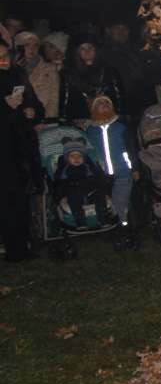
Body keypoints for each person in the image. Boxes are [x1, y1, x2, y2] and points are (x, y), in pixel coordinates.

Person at [0, 41, 43, 261]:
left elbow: (35, 103)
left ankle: (24, 244)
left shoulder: (18, 74)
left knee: (22, 195)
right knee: (7, 197)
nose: (3, 61)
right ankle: (12, 247)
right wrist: (5, 106)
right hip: (3, 148)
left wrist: (32, 111)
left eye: (5, 55)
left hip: (22, 145)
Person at [84, 95, 137, 226]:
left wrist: (135, 168)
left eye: (107, 103)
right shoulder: (90, 131)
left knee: (120, 200)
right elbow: (88, 152)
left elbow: (132, 148)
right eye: (100, 103)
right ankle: (113, 223)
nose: (104, 105)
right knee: (108, 202)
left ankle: (123, 226)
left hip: (123, 170)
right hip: (101, 174)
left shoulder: (121, 126)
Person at [59, 33, 125, 124]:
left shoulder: (109, 71)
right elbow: (65, 100)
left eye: (90, 47)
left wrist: (119, 117)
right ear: (77, 51)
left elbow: (119, 97)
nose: (87, 51)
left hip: (106, 118)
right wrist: (64, 120)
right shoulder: (69, 74)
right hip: (80, 120)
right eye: (83, 48)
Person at [100, 21, 158, 122]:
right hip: (120, 110)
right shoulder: (103, 55)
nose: (121, 32)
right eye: (117, 28)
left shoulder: (136, 51)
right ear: (108, 31)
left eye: (125, 28)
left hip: (143, 107)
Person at [53, 138, 114, 228]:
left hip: (90, 192)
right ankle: (81, 223)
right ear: (67, 158)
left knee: (99, 196)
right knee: (73, 198)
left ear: (84, 158)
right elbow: (59, 184)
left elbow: (98, 179)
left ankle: (103, 220)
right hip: (74, 193)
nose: (76, 158)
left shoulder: (88, 167)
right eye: (72, 156)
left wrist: (106, 192)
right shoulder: (65, 170)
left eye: (79, 156)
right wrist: (60, 197)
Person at [14, 31, 59, 120]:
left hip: (44, 117)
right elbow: (16, 96)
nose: (32, 49)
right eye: (27, 45)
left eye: (35, 45)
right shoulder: (15, 69)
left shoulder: (50, 69)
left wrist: (49, 120)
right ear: (20, 47)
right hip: (22, 116)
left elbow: (54, 98)